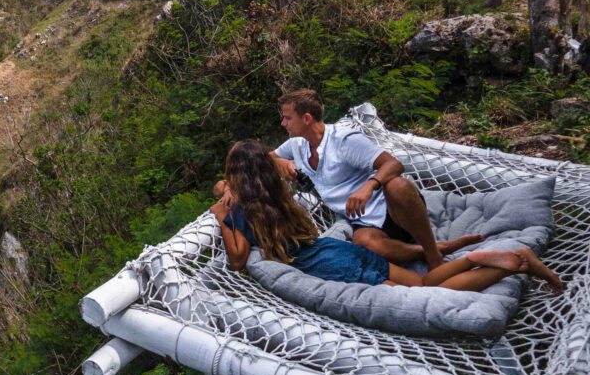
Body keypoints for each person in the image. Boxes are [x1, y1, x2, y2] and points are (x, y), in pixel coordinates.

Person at [211, 140, 564, 293]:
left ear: (237, 179)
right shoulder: (278, 196)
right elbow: (229, 182)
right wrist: (226, 192)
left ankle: (495, 260)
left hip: (332, 268)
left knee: (430, 291)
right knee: (426, 284)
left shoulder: (239, 213)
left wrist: (222, 217)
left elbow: (239, 259)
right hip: (340, 252)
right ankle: (489, 258)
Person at [269, 89, 481, 271]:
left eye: (287, 118)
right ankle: (435, 249)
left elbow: (393, 164)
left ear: (306, 118)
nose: (282, 123)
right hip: (363, 221)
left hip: (394, 210)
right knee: (363, 242)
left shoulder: (344, 141)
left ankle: (433, 255)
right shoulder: (297, 146)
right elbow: (268, 157)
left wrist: (369, 186)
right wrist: (282, 163)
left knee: (397, 184)